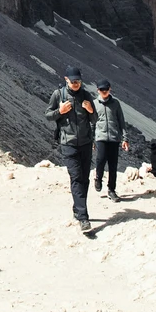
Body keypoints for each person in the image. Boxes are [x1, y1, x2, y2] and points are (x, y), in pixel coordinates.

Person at [45, 65, 97, 232]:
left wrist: (90, 110)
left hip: (86, 143)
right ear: (66, 79)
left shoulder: (86, 95)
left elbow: (95, 118)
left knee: (85, 178)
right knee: (76, 178)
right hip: (68, 143)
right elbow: (48, 115)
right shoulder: (58, 95)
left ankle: (77, 207)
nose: (76, 84)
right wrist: (59, 111)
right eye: (73, 81)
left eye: (79, 81)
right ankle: (83, 217)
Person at [94, 80, 129, 201]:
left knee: (113, 165)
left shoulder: (116, 103)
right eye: (102, 90)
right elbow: (92, 123)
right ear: (98, 90)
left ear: (110, 89)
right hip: (100, 137)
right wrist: (92, 140)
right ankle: (98, 177)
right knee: (100, 159)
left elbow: (121, 121)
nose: (104, 92)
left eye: (106, 90)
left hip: (114, 138)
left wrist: (125, 138)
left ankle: (112, 190)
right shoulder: (94, 104)